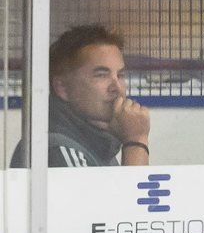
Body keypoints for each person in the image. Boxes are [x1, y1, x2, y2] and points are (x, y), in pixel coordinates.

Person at [9, 24, 153, 168]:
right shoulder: (58, 149)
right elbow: (131, 191)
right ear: (62, 88)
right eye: (101, 75)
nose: (117, 88)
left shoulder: (96, 143)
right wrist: (135, 140)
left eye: (120, 75)